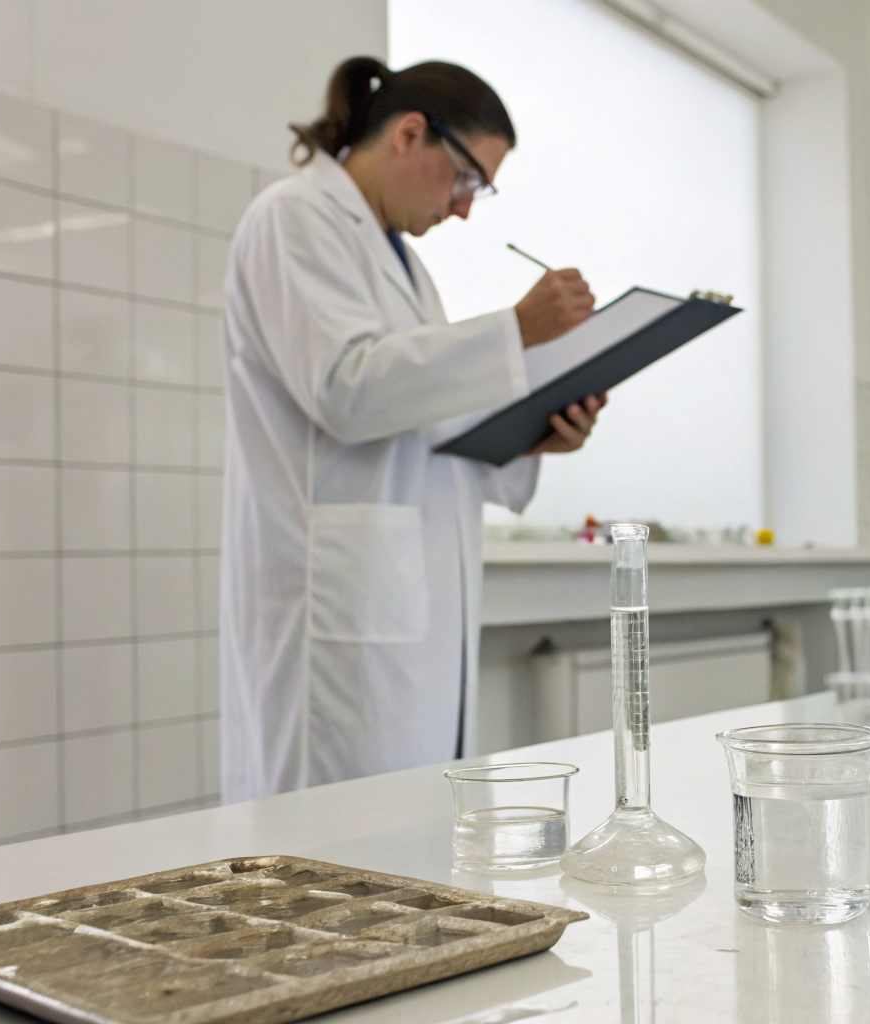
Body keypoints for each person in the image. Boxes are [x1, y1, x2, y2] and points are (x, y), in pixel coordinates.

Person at [220, 56, 604, 802]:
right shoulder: (292, 219)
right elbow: (346, 389)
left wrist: (531, 437)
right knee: (330, 853)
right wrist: (514, 331)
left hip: (403, 599)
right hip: (334, 602)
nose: (464, 210)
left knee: (408, 838)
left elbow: (421, 413)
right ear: (408, 133)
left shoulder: (408, 269)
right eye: (467, 181)